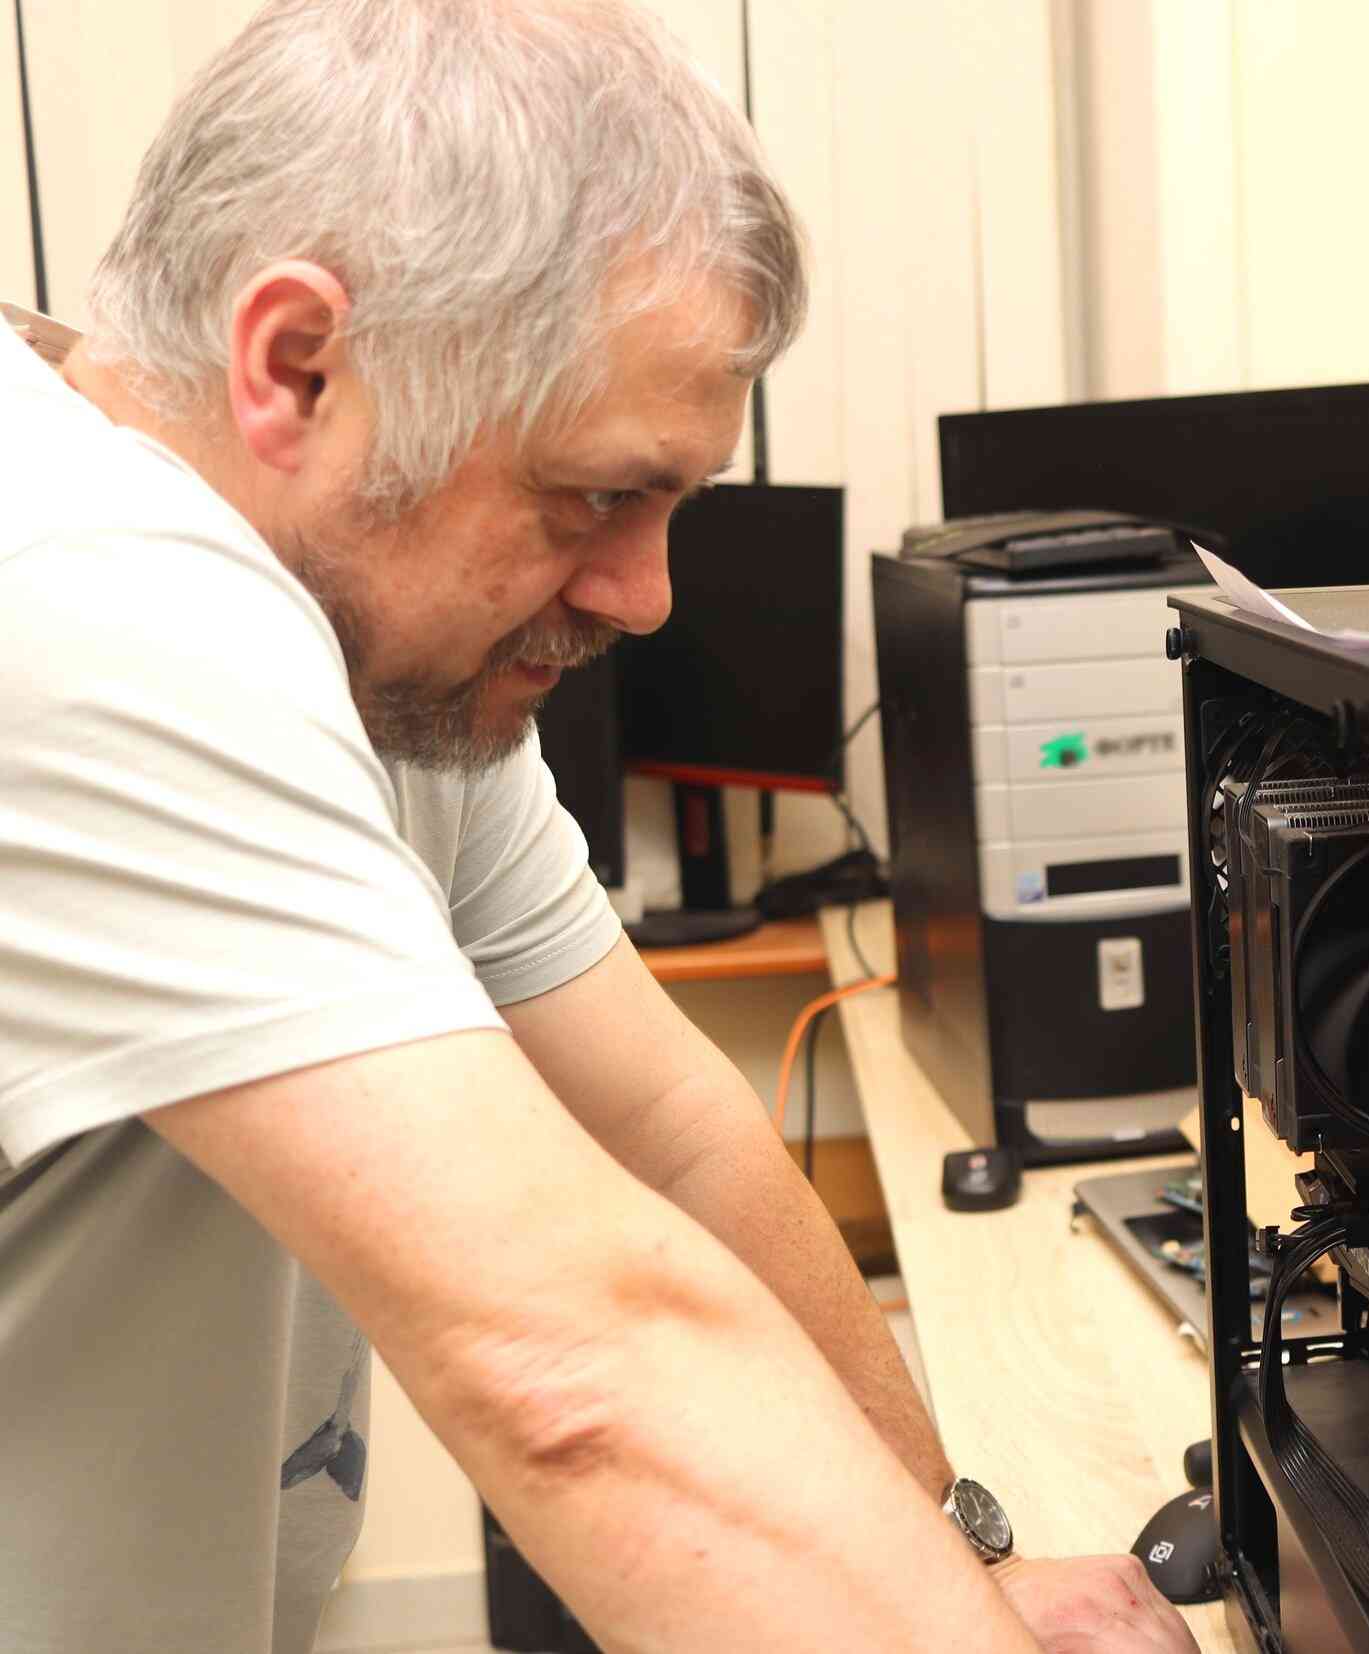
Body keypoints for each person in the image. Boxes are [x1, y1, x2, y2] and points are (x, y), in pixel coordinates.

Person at [0, 3, 1201, 1651]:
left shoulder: (384, 650)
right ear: (297, 367)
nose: (644, 596)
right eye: (595, 498)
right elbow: (568, 1366)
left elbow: (672, 1134)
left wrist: (957, 1557)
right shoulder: (86, 597)